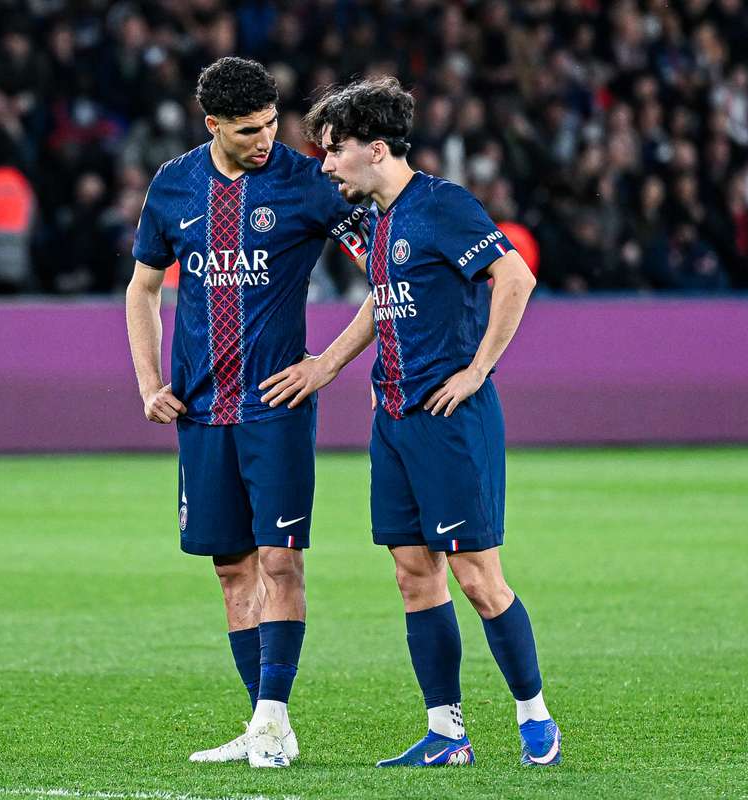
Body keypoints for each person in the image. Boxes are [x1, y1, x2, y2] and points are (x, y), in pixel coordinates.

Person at [261, 77, 561, 768]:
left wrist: (479, 370)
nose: (326, 165)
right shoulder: (385, 219)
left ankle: (534, 717)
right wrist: (329, 367)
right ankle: (447, 732)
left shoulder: (443, 206)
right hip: (393, 417)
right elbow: (384, 300)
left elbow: (515, 278)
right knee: (411, 574)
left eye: (334, 151)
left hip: (449, 419)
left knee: (480, 579)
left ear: (375, 148)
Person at [124, 57, 364, 769]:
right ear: (213, 126)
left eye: (270, 124)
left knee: (279, 560)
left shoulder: (306, 183)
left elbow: (384, 271)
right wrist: (148, 382)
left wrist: (325, 364)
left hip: (275, 409)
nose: (266, 139)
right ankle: (265, 727)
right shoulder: (173, 187)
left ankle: (271, 716)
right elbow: (142, 291)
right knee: (232, 571)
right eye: (249, 130)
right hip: (201, 411)